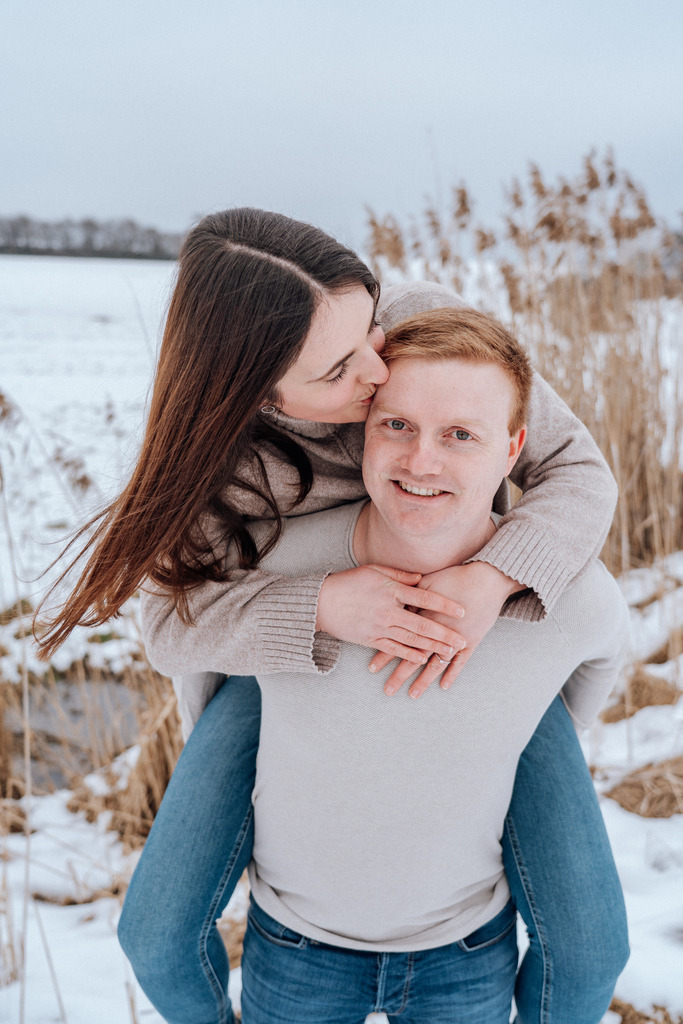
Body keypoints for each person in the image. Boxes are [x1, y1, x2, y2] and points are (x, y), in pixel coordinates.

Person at [35, 209, 628, 1023]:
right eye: (340, 371)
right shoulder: (230, 466)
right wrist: (318, 604)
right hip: (285, 636)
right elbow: (174, 629)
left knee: (593, 940)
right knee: (160, 925)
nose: (379, 370)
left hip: (477, 627)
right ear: (260, 394)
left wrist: (494, 578)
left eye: (369, 332)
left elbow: (578, 472)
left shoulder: (420, 335)